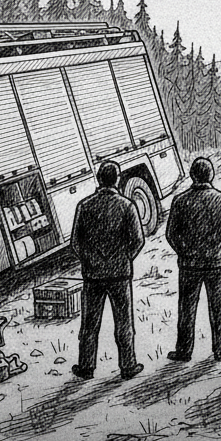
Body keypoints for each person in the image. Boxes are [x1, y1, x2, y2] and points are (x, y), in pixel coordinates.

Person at [70, 161, 146, 380]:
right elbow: (138, 240)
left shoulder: (84, 206)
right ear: (118, 179)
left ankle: (86, 367)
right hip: (120, 273)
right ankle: (128, 366)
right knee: (124, 322)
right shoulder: (128, 205)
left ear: (98, 179)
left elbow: (75, 243)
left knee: (89, 325)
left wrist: (90, 260)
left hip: (92, 275)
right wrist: (124, 258)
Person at [164, 157, 221, 362]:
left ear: (192, 176)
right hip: (215, 262)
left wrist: (184, 252)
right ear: (211, 175)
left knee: (186, 308)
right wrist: (220, 251)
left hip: (189, 264)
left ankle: (184, 351)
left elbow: (171, 234)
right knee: (218, 307)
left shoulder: (180, 200)